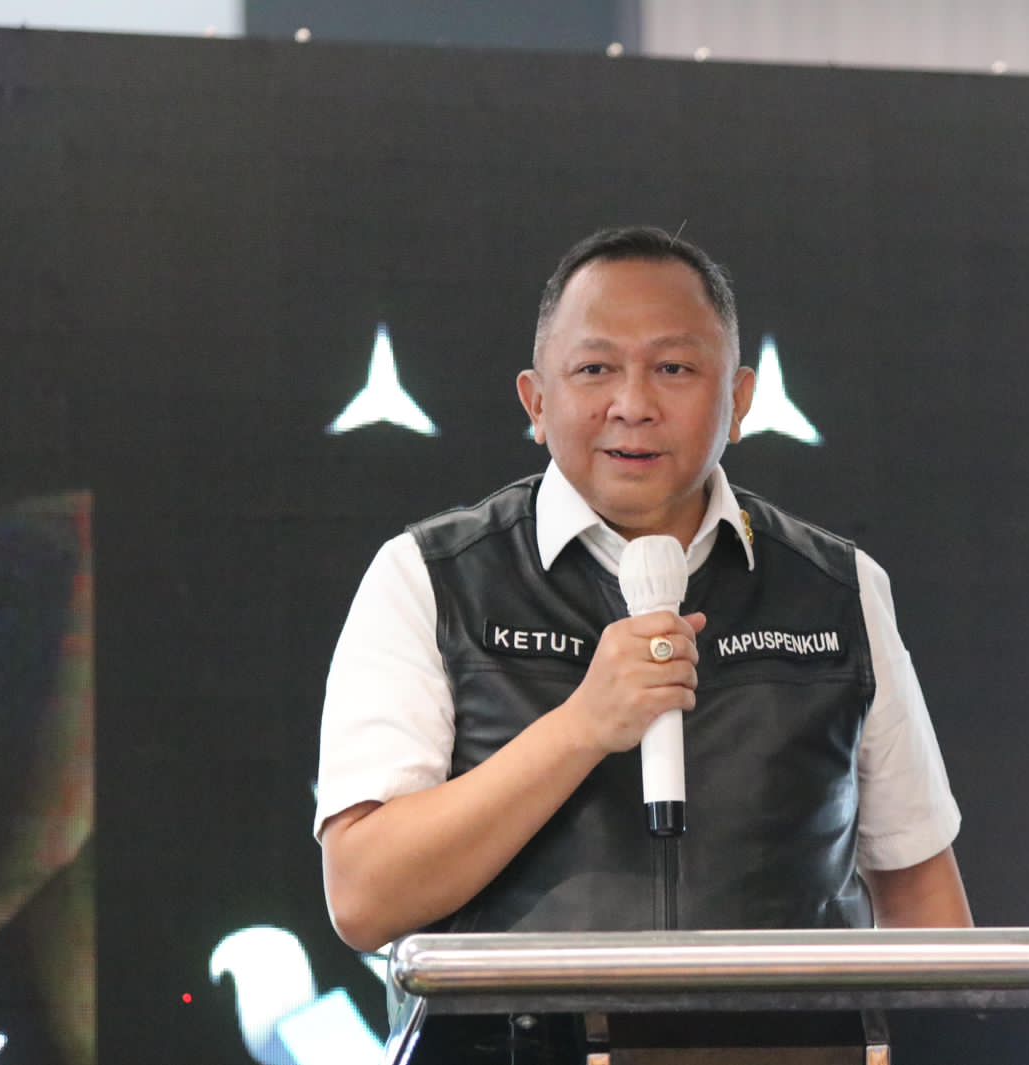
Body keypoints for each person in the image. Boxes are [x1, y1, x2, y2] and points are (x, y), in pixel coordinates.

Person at [316, 226, 971, 954]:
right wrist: (582, 726)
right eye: (595, 369)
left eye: (674, 368)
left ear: (741, 400)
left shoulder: (839, 590)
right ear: (536, 403)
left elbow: (921, 896)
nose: (633, 404)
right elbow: (364, 898)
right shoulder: (431, 578)